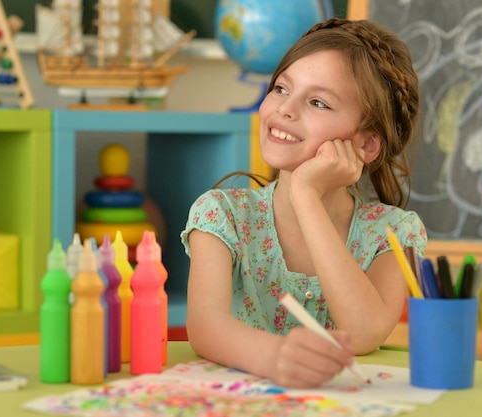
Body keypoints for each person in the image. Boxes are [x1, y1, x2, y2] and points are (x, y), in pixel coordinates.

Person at [180, 17, 427, 388]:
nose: (285, 109)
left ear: (366, 145)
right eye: (281, 88)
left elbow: (363, 334)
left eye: (317, 102)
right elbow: (204, 324)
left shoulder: (394, 233)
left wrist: (306, 196)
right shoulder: (222, 215)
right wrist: (274, 358)